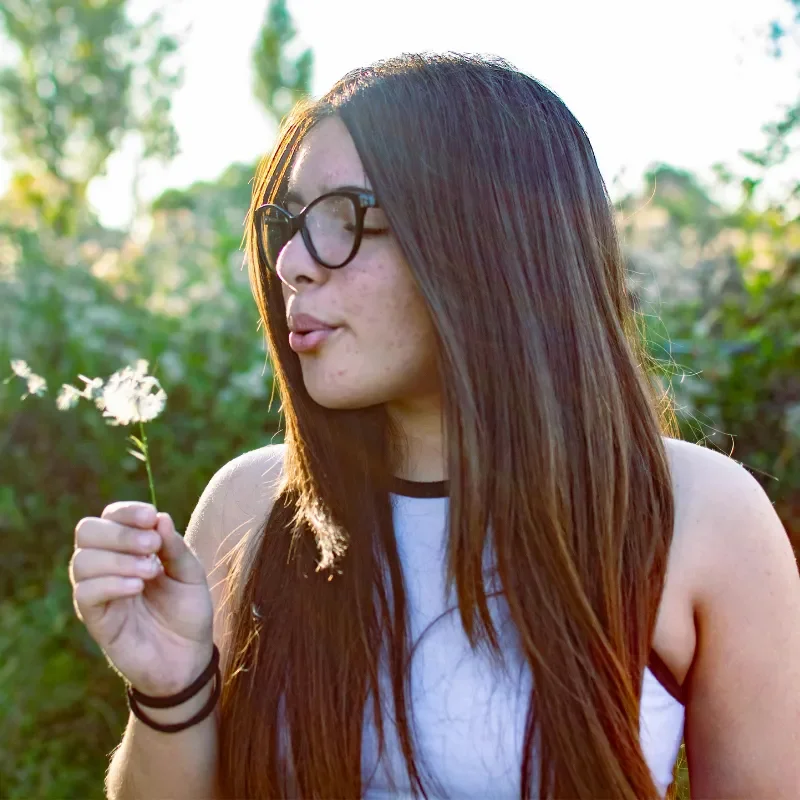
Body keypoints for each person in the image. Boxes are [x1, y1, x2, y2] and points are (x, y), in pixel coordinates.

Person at [69, 53, 800, 800]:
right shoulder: (251, 505)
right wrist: (170, 690)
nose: (290, 263)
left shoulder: (695, 513)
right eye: (289, 223)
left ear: (490, 239)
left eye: (342, 217)